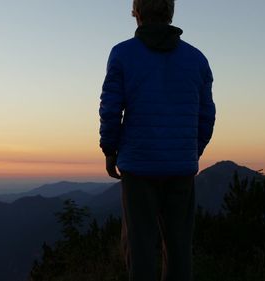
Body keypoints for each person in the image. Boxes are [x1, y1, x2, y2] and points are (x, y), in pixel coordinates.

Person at [98, 0, 216, 280]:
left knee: (139, 249)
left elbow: (111, 108)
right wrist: (190, 152)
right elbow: (206, 115)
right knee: (178, 249)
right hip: (181, 169)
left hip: (138, 167)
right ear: (170, 12)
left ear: (137, 12)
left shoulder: (122, 55)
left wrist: (109, 149)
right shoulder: (196, 59)